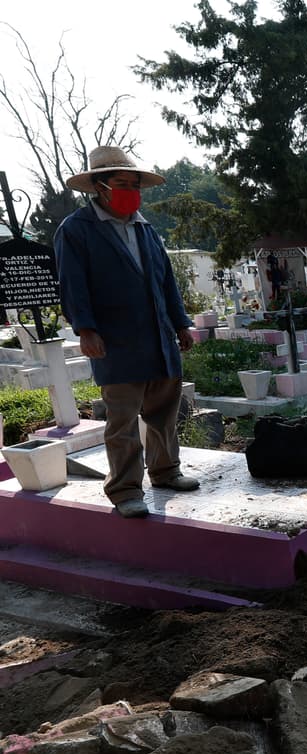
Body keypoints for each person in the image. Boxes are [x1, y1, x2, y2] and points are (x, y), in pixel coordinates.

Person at [55, 145, 199, 518]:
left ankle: (166, 471)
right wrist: (86, 329)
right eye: (122, 184)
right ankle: (125, 490)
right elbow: (73, 284)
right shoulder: (77, 230)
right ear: (99, 187)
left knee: (163, 413)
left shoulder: (145, 228)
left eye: (135, 185)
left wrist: (180, 323)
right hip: (115, 341)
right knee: (122, 421)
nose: (131, 192)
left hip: (158, 336)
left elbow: (166, 281)